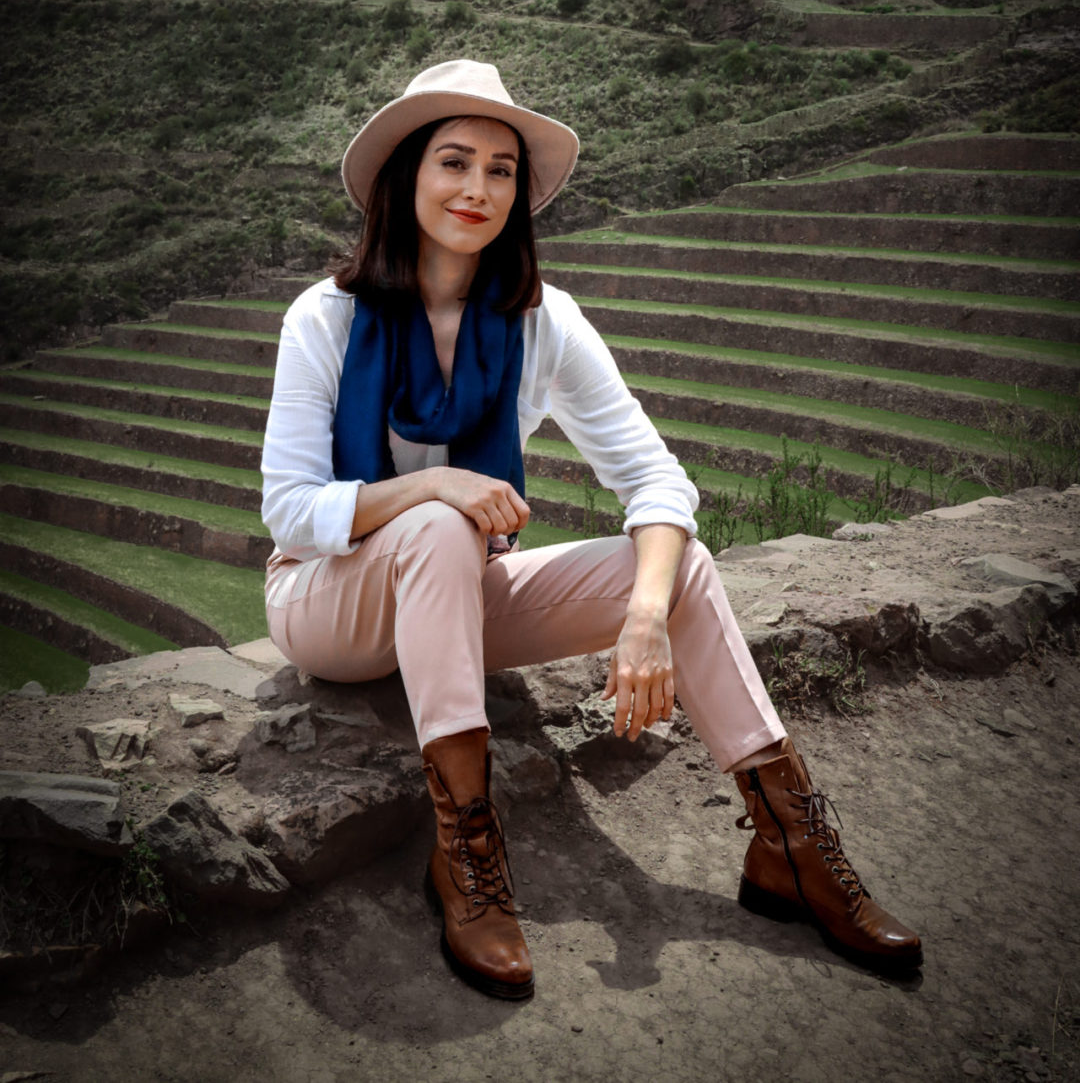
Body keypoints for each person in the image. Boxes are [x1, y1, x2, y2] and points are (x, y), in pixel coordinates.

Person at [260, 60, 921, 1002]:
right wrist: (435, 484)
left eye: (500, 170)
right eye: (454, 161)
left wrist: (645, 616)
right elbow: (288, 507)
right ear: (408, 175)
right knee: (445, 523)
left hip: (454, 602)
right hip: (330, 605)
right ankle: (465, 855)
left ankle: (792, 843)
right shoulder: (326, 317)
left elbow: (656, 481)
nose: (477, 189)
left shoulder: (543, 322)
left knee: (676, 568)